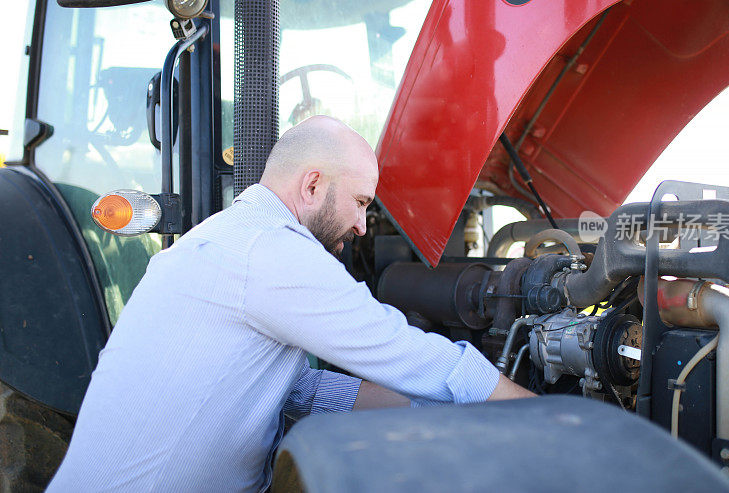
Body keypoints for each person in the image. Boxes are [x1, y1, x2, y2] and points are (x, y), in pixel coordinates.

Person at [48, 116, 534, 492]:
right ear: (313, 186)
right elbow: (403, 350)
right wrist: (538, 414)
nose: (364, 226)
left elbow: (295, 386)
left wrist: (429, 406)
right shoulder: (270, 250)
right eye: (361, 202)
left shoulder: (231, 237)